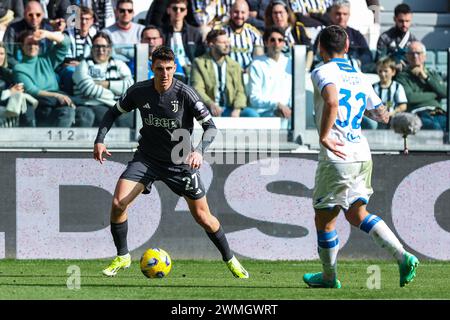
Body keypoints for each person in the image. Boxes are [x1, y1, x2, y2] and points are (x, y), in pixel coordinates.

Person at [94, 46, 249, 279]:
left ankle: (231, 259)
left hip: (180, 162)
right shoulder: (139, 91)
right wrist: (100, 140)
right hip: (146, 159)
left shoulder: (186, 93)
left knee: (203, 217)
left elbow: (211, 128)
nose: (164, 74)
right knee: (118, 203)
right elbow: (113, 113)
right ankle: (123, 256)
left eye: (168, 69)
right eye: (159, 69)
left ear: (174, 68)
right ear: (152, 69)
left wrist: (199, 151)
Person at [303, 25, 419, 288]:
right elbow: (382, 114)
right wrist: (358, 111)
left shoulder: (321, 71)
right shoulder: (358, 76)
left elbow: (332, 101)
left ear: (320, 48)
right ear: (346, 48)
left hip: (337, 153)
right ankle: (403, 257)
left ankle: (329, 277)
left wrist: (324, 134)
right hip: (361, 152)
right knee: (357, 213)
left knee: (324, 218)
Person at [13, 29, 92, 127]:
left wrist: (47, 34)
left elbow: (66, 43)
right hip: (42, 105)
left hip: (59, 100)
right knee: (66, 112)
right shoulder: (19, 68)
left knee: (86, 113)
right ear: (22, 46)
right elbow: (31, 90)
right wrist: (56, 96)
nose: (33, 46)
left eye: (35, 43)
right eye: (29, 44)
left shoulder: (46, 59)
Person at [190, 29, 258, 117]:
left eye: (227, 42)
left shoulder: (235, 65)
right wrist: (210, 104)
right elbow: (197, 89)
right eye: (222, 42)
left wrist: (237, 109)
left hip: (230, 108)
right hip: (208, 108)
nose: (227, 45)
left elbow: (240, 91)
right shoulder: (199, 63)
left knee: (252, 114)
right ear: (211, 44)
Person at [72, 31, 134, 127]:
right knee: (107, 119)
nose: (101, 50)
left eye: (104, 47)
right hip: (92, 105)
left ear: (109, 48)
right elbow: (88, 89)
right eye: (97, 46)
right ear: (92, 48)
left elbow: (130, 86)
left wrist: (106, 84)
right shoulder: (83, 65)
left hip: (116, 105)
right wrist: (115, 94)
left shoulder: (119, 64)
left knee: (130, 119)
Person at [395, 41, 447, 131]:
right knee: (434, 128)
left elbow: (445, 93)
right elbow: (410, 98)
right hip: (417, 112)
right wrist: (434, 94)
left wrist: (426, 78)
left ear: (425, 56)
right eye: (411, 53)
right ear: (407, 56)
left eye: (418, 53)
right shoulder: (402, 77)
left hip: (437, 111)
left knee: (445, 125)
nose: (415, 56)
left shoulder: (432, 74)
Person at [313, 0, 374, 73]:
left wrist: (355, 62)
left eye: (345, 14)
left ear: (349, 15)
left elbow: (367, 57)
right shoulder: (323, 34)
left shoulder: (356, 35)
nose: (341, 17)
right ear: (331, 14)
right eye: (338, 14)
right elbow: (317, 58)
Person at [247, 26, 292, 118]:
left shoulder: (290, 63)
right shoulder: (257, 64)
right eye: (272, 40)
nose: (277, 43)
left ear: (284, 43)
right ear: (266, 43)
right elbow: (254, 99)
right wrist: (276, 104)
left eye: (280, 40)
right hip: (263, 113)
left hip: (287, 112)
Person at [59, 6, 97, 95]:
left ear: (92, 21)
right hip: (68, 69)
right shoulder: (67, 33)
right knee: (71, 71)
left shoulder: (95, 35)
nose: (84, 22)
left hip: (89, 67)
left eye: (87, 19)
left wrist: (81, 64)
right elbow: (67, 60)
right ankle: (70, 97)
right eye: (81, 19)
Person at [264, 0, 313, 70]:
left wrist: (305, 69)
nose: (278, 16)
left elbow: (310, 50)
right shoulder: (268, 33)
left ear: (287, 14)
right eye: (275, 13)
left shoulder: (297, 29)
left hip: (298, 69)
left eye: (281, 12)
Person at [162, 0, 205, 79]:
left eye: (182, 9)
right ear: (168, 10)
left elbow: (200, 56)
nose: (178, 12)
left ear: (186, 12)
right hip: (168, 73)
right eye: (175, 9)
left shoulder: (195, 33)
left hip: (190, 72)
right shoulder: (161, 32)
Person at [3, 0, 54, 67]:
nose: (34, 18)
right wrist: (23, 68)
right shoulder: (13, 29)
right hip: (19, 68)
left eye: (38, 15)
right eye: (30, 15)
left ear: (43, 15)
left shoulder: (48, 30)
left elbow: (53, 54)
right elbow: (7, 55)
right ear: (24, 14)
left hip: (43, 68)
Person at [220, 0, 264, 72]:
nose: (239, 16)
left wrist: (247, 71)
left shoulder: (254, 34)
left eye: (243, 12)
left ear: (248, 15)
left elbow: (258, 60)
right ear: (230, 13)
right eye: (236, 12)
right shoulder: (221, 32)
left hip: (248, 74)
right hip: (226, 74)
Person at [0, 41, 36, 127]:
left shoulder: (7, 73)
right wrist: (9, 92)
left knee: (24, 99)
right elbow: (10, 91)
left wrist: (18, 90)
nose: (0, 57)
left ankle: (30, 132)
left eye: (1, 54)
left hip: (9, 108)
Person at [368, 57, 407, 130]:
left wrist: (392, 113)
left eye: (386, 71)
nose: (382, 74)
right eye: (380, 71)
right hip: (376, 119)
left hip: (393, 117)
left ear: (393, 72)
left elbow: (403, 106)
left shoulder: (397, 86)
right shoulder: (372, 87)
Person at [375, 3, 416, 71]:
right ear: (395, 19)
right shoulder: (385, 38)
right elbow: (380, 60)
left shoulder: (413, 41)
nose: (404, 24)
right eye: (401, 21)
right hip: (389, 74)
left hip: (407, 75)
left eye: (407, 21)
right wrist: (394, 63)